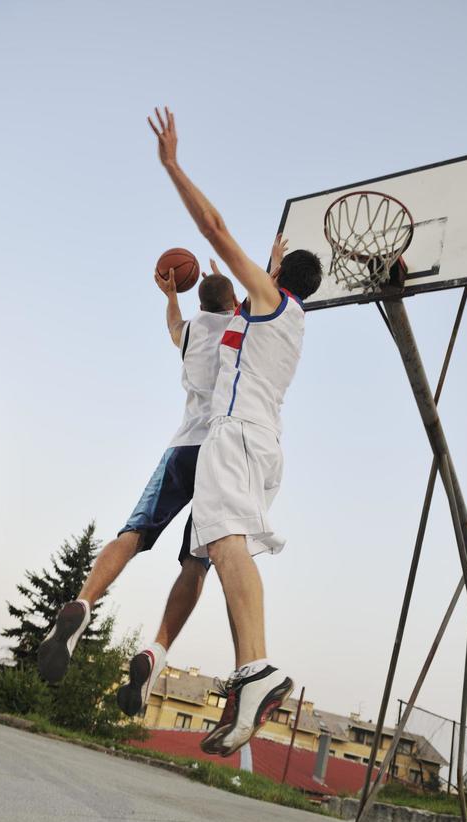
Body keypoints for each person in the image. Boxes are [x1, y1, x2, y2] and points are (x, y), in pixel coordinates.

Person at [148, 106, 323, 756]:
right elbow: (248, 306)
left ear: (275, 281)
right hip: (262, 443)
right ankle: (251, 674)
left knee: (222, 545)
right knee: (227, 549)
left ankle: (258, 666)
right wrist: (278, 263)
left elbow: (215, 230)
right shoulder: (286, 315)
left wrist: (173, 166)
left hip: (236, 435)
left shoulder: (271, 302)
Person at [36, 260, 239, 705]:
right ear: (233, 302)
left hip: (181, 448)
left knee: (132, 533)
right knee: (195, 562)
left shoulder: (189, 333)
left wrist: (172, 295)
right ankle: (157, 649)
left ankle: (84, 602)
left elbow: (174, 323)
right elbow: (257, 300)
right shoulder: (240, 328)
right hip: (221, 454)